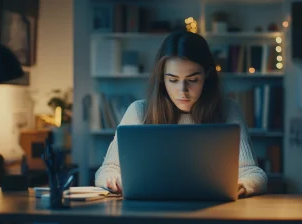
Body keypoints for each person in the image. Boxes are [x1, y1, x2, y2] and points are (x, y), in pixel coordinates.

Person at [95, 31, 267, 198]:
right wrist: (113, 180)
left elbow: (253, 172)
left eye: (192, 80)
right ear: (162, 78)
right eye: (173, 80)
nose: (182, 91)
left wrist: (241, 185)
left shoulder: (228, 109)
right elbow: (106, 170)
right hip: (151, 211)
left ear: (207, 74)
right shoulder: (139, 111)